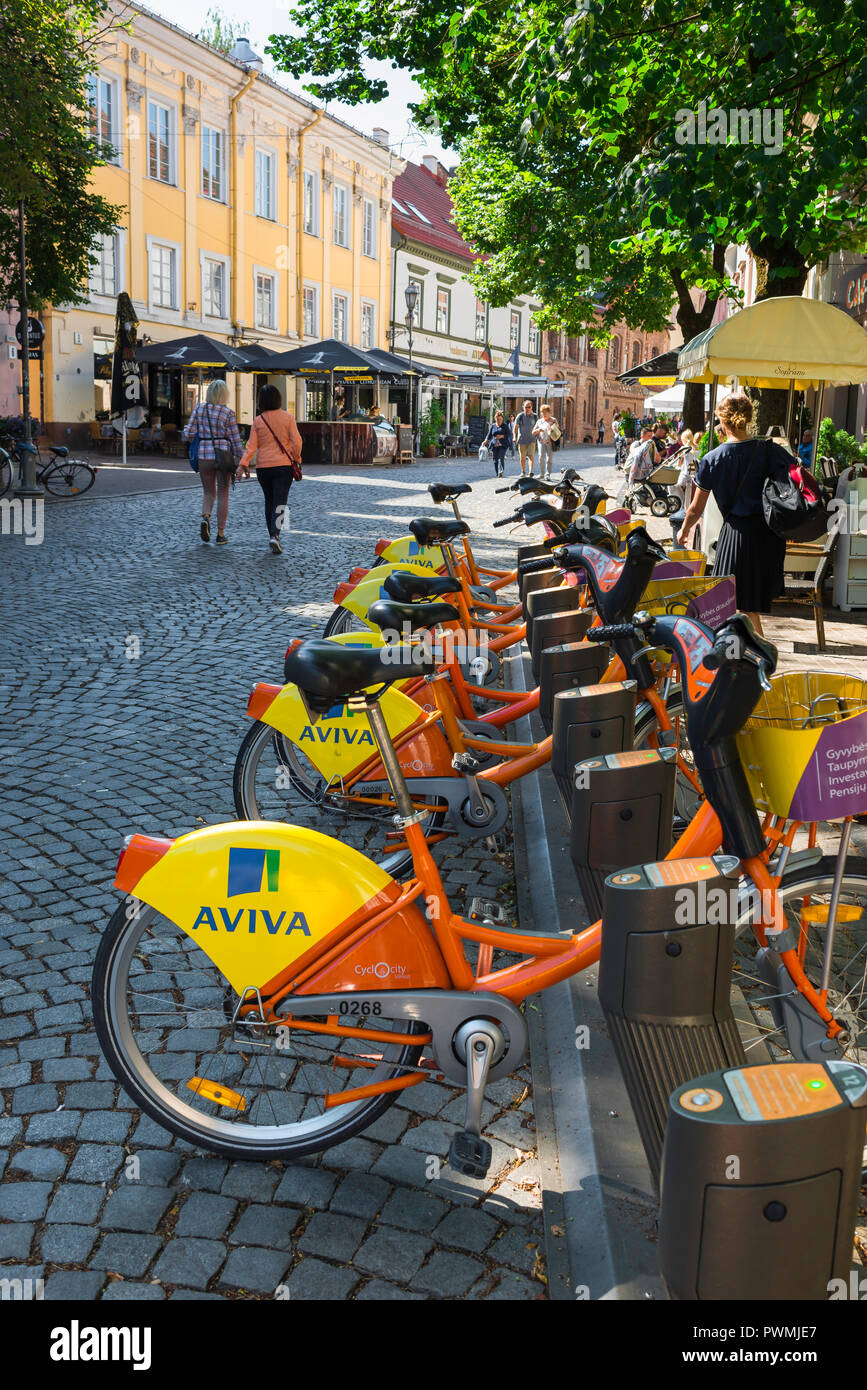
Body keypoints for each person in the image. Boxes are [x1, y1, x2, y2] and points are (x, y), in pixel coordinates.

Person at [677, 393, 790, 634]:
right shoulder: (769, 451)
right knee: (748, 606)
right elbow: (794, 478)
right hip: (769, 535)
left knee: (732, 604)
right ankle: (749, 658)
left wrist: (685, 530)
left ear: (721, 419)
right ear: (749, 417)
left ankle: (758, 659)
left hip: (736, 534)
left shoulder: (712, 459)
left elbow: (696, 508)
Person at [238, 383, 303, 555]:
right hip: (283, 466)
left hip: (263, 467)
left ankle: (272, 535)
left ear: (262, 401)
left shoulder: (258, 421)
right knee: (280, 501)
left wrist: (244, 462)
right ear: (278, 399)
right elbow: (297, 442)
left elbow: (251, 446)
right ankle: (276, 535)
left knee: (269, 500)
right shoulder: (288, 417)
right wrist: (296, 458)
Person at [184, 379, 243, 546]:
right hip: (223, 456)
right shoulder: (228, 413)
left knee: (208, 492)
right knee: (223, 494)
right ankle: (220, 534)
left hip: (204, 454)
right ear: (225, 395)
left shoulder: (199, 408)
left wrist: (190, 433)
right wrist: (242, 459)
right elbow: (235, 440)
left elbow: (189, 433)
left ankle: (205, 517)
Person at [532, 403, 558, 479]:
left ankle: (548, 474)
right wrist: (538, 430)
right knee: (541, 457)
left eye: (545, 413)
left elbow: (558, 432)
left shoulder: (553, 420)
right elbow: (533, 432)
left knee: (549, 458)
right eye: (542, 413)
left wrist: (550, 436)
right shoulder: (539, 421)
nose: (543, 414)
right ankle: (541, 474)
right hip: (541, 442)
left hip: (550, 442)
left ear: (549, 413)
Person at [483, 410, 510, 478]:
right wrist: (485, 441)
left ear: (502, 419)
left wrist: (502, 436)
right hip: (494, 445)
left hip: (502, 444)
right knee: (495, 460)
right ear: (495, 419)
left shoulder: (505, 426)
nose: (499, 421)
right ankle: (497, 473)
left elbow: (509, 434)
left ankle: (501, 471)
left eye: (500, 419)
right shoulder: (493, 426)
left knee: (501, 458)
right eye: (497, 419)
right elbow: (489, 435)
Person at [514, 400, 538, 476]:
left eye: (529, 407)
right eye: (526, 407)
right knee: (523, 457)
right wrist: (514, 437)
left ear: (531, 407)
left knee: (531, 455)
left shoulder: (535, 416)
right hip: (522, 440)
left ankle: (531, 472)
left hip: (532, 439)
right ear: (523, 407)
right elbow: (515, 428)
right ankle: (523, 471)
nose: (527, 409)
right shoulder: (520, 416)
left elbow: (538, 427)